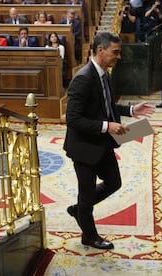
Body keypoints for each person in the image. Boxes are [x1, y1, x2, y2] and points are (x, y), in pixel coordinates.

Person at [64, 31, 155, 250]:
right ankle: (89, 236)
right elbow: (73, 119)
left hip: (101, 143)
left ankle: (80, 209)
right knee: (86, 193)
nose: (119, 57)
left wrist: (131, 110)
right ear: (100, 50)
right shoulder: (83, 79)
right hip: (84, 147)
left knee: (114, 182)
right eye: (115, 52)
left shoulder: (105, 74)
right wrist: (107, 126)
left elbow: (105, 106)